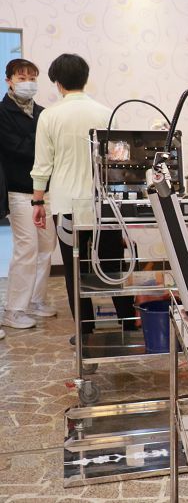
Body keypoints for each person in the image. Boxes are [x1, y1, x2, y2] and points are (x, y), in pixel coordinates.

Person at [30, 53, 135, 338]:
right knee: (113, 265)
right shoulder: (106, 113)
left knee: (75, 269)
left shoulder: (49, 116)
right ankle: (128, 322)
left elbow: (42, 165)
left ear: (57, 82)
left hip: (66, 205)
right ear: (85, 79)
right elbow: (119, 162)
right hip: (104, 204)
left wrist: (38, 201)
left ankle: (85, 330)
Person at [0, 59, 57, 336]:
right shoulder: (2, 112)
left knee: (47, 245)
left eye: (32, 78)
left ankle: (35, 300)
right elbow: (18, 148)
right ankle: (13, 310)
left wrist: (45, 146)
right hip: (18, 190)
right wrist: (43, 144)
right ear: (9, 81)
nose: (28, 83)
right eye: (22, 78)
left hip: (44, 190)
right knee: (26, 249)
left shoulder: (43, 113)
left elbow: (50, 149)